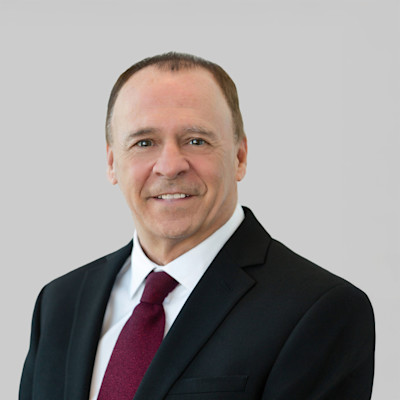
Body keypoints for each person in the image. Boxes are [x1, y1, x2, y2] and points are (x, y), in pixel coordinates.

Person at [19, 52, 375, 400]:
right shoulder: (59, 303)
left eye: (196, 140)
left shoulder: (320, 310)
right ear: (112, 163)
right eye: (144, 142)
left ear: (240, 157)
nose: (169, 166)